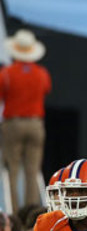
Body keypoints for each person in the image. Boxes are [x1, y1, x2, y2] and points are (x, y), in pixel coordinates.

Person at [0, 30, 51, 211]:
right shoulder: (42, 74)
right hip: (36, 124)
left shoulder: (6, 74)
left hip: (13, 123)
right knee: (33, 170)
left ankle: (14, 212)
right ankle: (31, 211)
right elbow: (46, 89)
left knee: (12, 169)